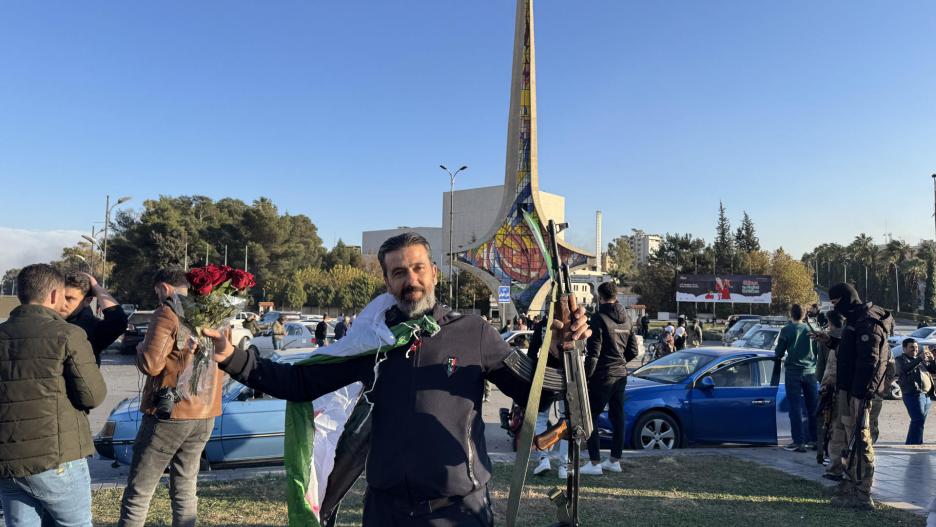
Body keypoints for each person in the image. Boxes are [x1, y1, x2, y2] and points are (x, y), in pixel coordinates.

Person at [208, 232, 590, 526]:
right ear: (388, 282)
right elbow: (299, 383)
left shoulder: (474, 332)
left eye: (418, 267)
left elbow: (536, 392)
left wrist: (558, 351)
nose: (411, 279)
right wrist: (231, 357)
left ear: (434, 273)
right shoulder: (371, 341)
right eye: (399, 272)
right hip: (385, 511)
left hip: (459, 512)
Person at [118, 269, 227, 527]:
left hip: (170, 413)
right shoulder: (216, 314)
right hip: (205, 412)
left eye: (157, 292)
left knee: (139, 492)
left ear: (165, 288)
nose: (157, 297)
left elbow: (151, 365)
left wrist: (140, 348)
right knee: (186, 487)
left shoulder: (167, 312)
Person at [0, 264, 107, 525]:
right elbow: (93, 395)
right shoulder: (68, 334)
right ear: (53, 296)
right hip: (56, 456)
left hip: (8, 460)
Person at [814, 283, 893, 510]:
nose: (836, 309)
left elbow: (870, 361)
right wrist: (830, 342)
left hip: (860, 394)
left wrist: (860, 395)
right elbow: (853, 351)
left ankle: (862, 493)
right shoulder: (856, 318)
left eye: (837, 304)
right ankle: (850, 485)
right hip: (850, 390)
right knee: (850, 440)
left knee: (860, 441)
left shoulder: (867, 321)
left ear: (847, 299)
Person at [579, 282, 639, 475]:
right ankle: (614, 460)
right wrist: (620, 363)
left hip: (602, 376)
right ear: (616, 296)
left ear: (600, 297)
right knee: (618, 418)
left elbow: (593, 354)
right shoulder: (627, 319)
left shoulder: (598, 318)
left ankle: (595, 463)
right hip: (621, 375)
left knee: (591, 417)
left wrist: (586, 377)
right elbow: (633, 351)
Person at [58, 271, 129, 365]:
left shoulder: (92, 329)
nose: (62, 303)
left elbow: (118, 321)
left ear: (87, 301)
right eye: (60, 297)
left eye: (69, 298)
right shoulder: (45, 321)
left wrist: (97, 288)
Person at [775, 304, 819, 453]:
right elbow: (818, 351)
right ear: (805, 314)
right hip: (811, 372)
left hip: (793, 372)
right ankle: (815, 440)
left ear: (791, 314)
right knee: (813, 407)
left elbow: (778, 352)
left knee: (795, 408)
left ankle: (798, 442)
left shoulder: (787, 330)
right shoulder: (812, 329)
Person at [895, 338, 936, 444]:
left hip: (926, 395)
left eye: (916, 347)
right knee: (918, 420)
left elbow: (933, 370)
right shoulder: (900, 359)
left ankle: (915, 442)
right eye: (912, 347)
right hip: (913, 395)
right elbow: (905, 369)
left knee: (920, 422)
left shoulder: (919, 359)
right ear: (904, 349)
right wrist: (919, 359)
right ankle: (913, 444)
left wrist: (932, 360)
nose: (915, 349)